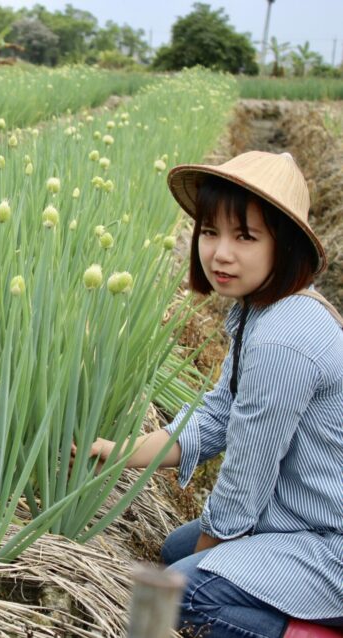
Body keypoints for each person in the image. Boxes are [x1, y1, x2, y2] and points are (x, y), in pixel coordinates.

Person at [89, 151, 343, 637]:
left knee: (173, 595)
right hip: (298, 518)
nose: (220, 253)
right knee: (175, 553)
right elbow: (217, 416)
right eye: (210, 232)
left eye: (245, 236)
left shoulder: (284, 339)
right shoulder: (262, 311)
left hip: (329, 543)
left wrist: (206, 563)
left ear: (284, 246)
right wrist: (121, 453)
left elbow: (246, 476)